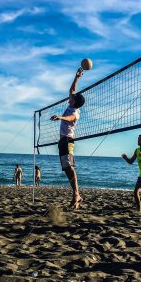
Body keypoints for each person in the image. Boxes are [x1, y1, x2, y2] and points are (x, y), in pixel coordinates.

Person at [50, 68, 85, 209]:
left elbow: (70, 118)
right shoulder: (71, 104)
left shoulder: (75, 112)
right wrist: (77, 77)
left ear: (75, 101)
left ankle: (76, 195)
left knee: (69, 168)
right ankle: (76, 196)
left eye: (73, 97)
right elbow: (72, 89)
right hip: (62, 141)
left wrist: (60, 117)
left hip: (68, 141)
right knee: (66, 169)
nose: (71, 96)